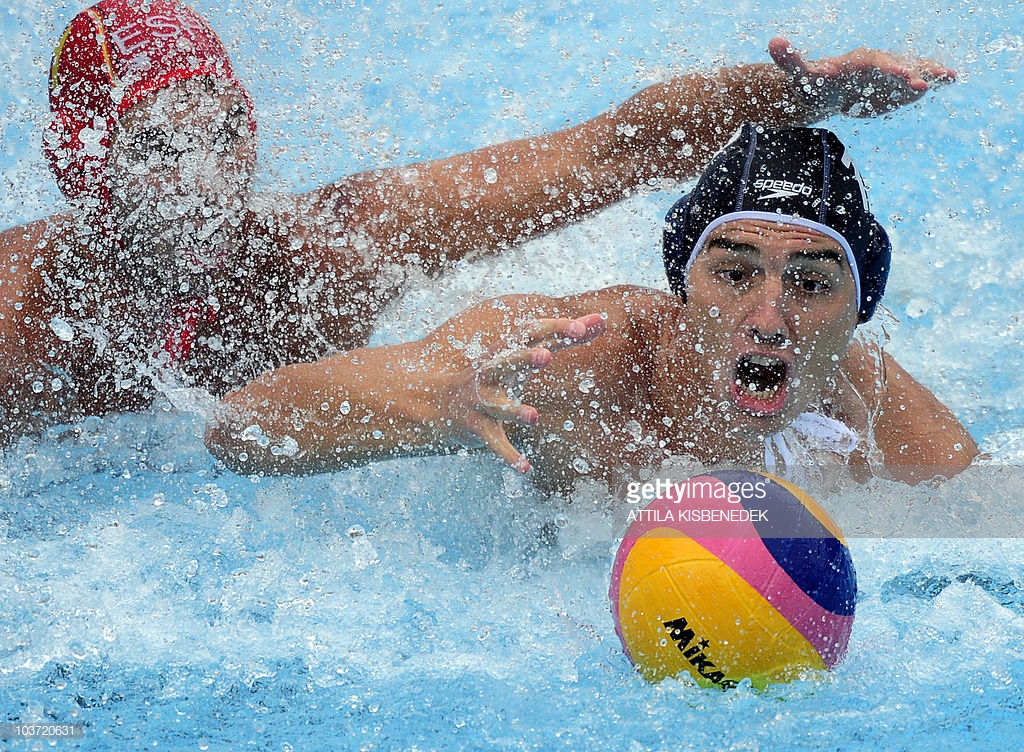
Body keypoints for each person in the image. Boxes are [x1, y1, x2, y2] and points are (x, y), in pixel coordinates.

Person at [0, 0, 954, 443]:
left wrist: (794, 95)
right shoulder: (17, 315)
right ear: (83, 164)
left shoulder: (339, 244)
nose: (203, 181)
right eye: (161, 151)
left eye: (223, 139)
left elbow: (610, 149)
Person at [205, 123, 979, 490]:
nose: (770, 318)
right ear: (683, 288)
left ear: (858, 311)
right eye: (735, 274)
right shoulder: (570, 362)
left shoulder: (895, 433)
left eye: (811, 284)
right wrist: (437, 406)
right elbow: (237, 425)